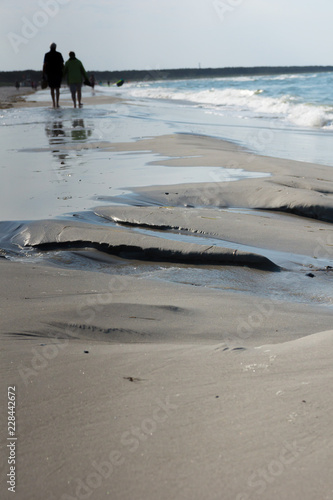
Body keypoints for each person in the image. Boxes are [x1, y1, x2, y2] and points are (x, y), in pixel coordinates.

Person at [43, 42, 64, 108]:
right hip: (58, 73)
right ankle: (57, 103)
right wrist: (64, 72)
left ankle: (53, 103)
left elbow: (44, 65)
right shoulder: (59, 54)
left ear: (50, 47)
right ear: (55, 47)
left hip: (50, 73)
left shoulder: (47, 54)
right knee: (57, 88)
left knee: (52, 88)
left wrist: (43, 73)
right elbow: (62, 64)